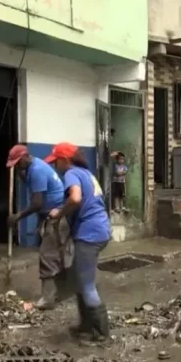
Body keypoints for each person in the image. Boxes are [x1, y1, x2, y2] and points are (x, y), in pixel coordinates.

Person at [45, 142, 112, 344]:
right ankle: (86, 326)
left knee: (87, 285)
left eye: (55, 162)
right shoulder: (86, 173)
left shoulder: (71, 174)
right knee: (79, 280)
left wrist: (59, 213)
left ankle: (102, 335)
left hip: (89, 234)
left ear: (64, 160)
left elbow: (75, 199)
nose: (54, 166)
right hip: (99, 228)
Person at [6, 144, 70, 310]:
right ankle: (61, 292)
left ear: (25, 157)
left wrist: (18, 216)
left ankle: (48, 299)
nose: (16, 166)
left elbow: (36, 203)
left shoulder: (37, 171)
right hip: (49, 214)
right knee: (57, 255)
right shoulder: (29, 169)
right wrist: (21, 174)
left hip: (56, 215)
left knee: (47, 255)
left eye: (17, 162)